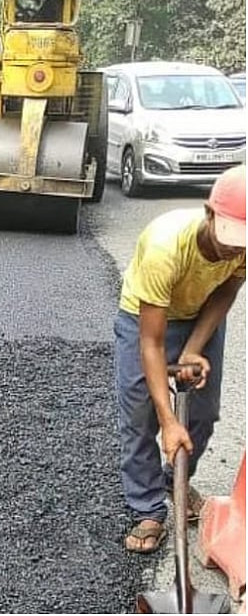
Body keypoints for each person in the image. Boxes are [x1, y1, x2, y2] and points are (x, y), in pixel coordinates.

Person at [116, 165, 246, 554]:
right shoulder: (165, 246)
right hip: (146, 319)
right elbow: (152, 343)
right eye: (230, 238)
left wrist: (193, 348)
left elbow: (227, 288)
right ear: (209, 214)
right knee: (141, 417)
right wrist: (168, 420)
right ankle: (148, 509)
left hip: (200, 315)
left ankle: (176, 479)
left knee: (203, 415)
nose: (235, 249)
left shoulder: (243, 249)